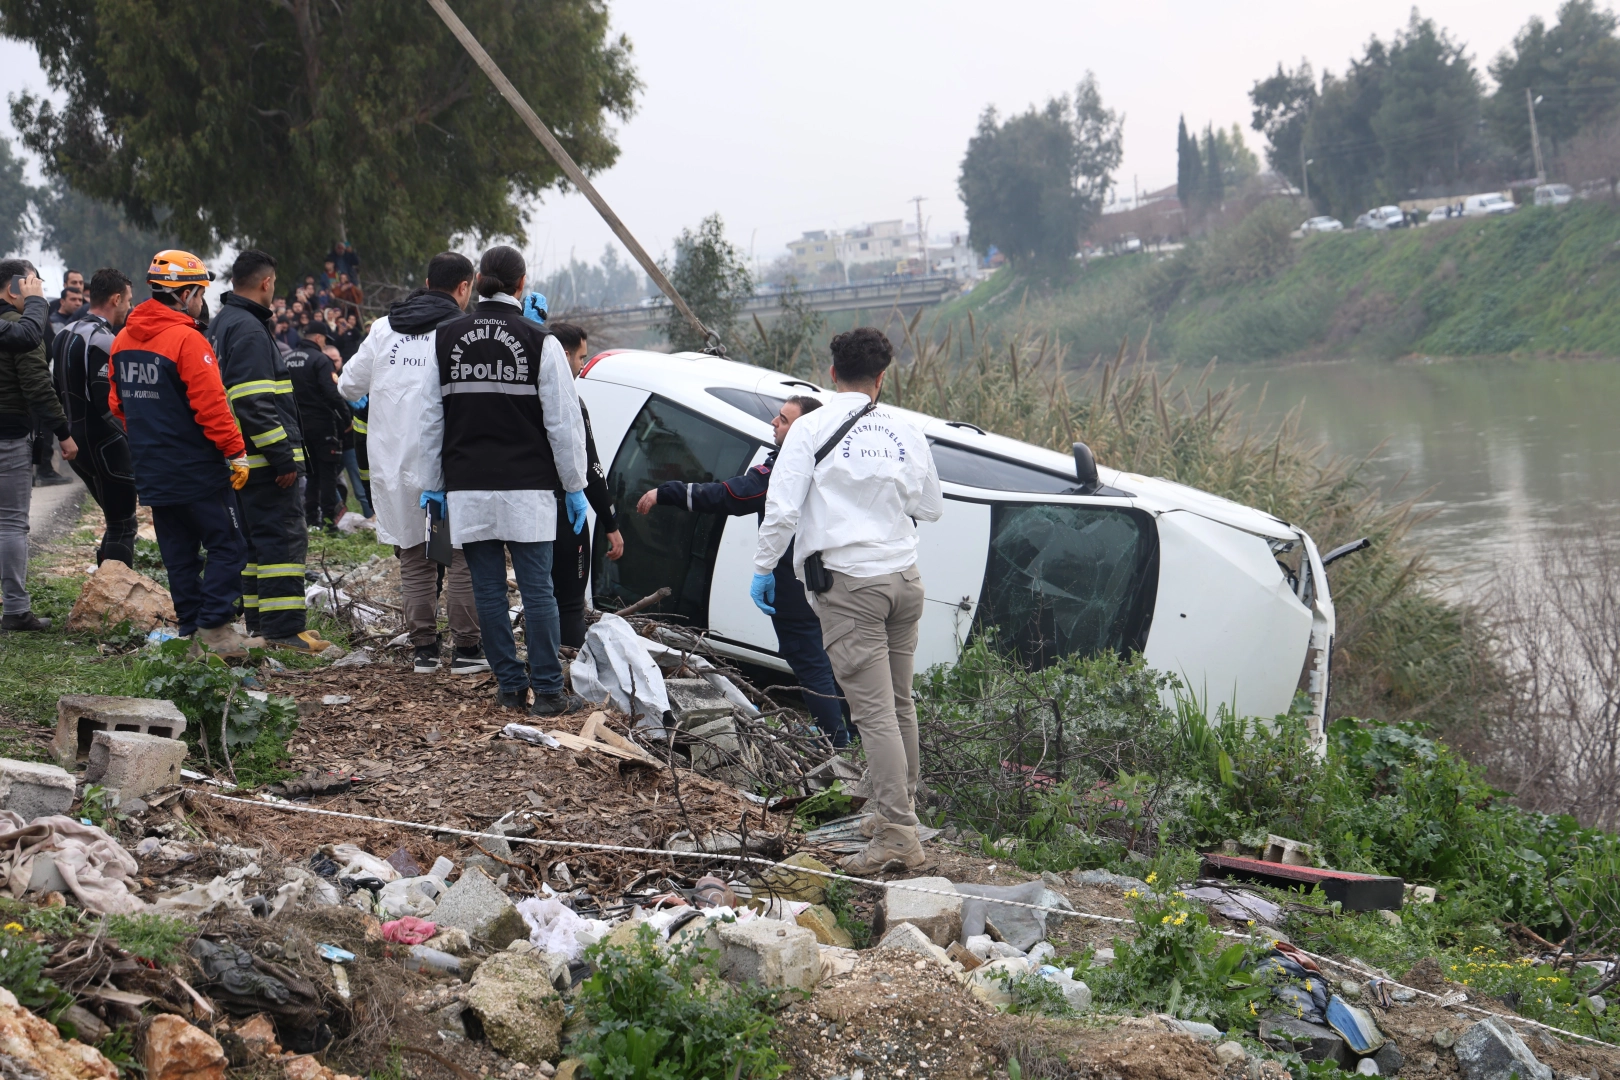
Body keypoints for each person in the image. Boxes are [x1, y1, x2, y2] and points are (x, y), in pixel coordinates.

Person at [753, 327, 942, 874]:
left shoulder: (810, 429)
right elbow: (930, 507)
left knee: (874, 712)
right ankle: (896, 807)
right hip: (904, 581)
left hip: (852, 586)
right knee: (899, 702)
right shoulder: (907, 430)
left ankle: (899, 834)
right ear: (882, 378)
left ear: (832, 374)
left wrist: (764, 567)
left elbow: (782, 511)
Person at [420, 246, 587, 713]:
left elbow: (431, 420)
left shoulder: (445, 338)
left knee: (488, 590)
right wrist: (574, 486)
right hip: (528, 488)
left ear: (477, 279)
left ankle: (510, 688)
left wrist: (433, 483)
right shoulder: (541, 341)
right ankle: (549, 693)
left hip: (468, 486)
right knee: (538, 591)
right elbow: (563, 422)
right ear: (522, 284)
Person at [636, 393, 853, 746]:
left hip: (795, 585)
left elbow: (731, 496)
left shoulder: (787, 470)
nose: (774, 423)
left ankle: (834, 742)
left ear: (803, 431)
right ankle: (851, 734)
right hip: (832, 582)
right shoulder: (831, 466)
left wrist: (669, 492)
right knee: (834, 662)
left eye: (783, 419)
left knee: (810, 664)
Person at [338, 251, 486, 675]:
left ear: (426, 282)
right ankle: (467, 650)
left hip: (396, 464)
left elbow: (349, 385)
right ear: (464, 288)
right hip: (450, 461)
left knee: (415, 555)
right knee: (459, 555)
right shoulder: (464, 329)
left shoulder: (384, 329)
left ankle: (424, 649)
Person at [107, 251, 252, 654]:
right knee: (229, 545)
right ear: (186, 293)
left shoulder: (122, 340)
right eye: (201, 292)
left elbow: (118, 405)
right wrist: (236, 451)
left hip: (152, 468)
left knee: (179, 554)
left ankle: (191, 628)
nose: (202, 301)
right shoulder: (188, 339)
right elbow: (212, 406)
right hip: (197, 467)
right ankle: (215, 629)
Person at [209, 249, 331, 655]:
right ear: (266, 282)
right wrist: (282, 457)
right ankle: (284, 630)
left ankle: (263, 626)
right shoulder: (248, 329)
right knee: (281, 542)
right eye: (275, 283)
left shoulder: (225, 322)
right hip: (264, 462)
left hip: (243, 460)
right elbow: (253, 401)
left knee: (258, 547)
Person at [0, 260, 76, 631]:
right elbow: (36, 384)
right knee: (12, 522)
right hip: (8, 433)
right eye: (32, 283)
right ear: (15, 287)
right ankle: (15, 609)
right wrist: (63, 432)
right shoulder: (17, 327)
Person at [542, 322, 623, 649]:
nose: (581, 366)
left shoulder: (525, 394)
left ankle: (542, 664)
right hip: (564, 515)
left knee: (540, 597)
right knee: (571, 603)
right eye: (580, 358)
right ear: (564, 355)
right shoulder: (571, 402)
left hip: (530, 513)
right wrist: (611, 523)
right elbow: (591, 466)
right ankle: (568, 675)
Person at [52, 267, 138, 566]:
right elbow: (106, 404)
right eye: (128, 300)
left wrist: (61, 433)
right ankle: (115, 605)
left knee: (115, 520)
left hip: (77, 444)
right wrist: (134, 438)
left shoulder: (63, 334)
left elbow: (53, 390)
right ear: (116, 299)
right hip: (104, 441)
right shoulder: (103, 339)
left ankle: (104, 590)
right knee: (124, 524)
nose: (129, 307)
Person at [284, 326, 348, 530]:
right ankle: (330, 521)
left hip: (296, 426)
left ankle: (311, 519)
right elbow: (331, 392)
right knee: (327, 474)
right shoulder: (321, 360)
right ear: (318, 337)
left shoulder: (286, 359)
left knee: (310, 474)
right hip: (322, 425)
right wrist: (346, 419)